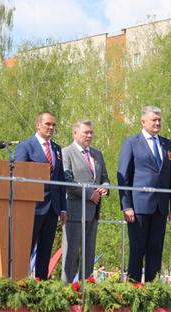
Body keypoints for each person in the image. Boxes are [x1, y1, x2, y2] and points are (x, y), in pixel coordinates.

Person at [117, 106, 171, 283]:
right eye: (154, 120)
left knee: (155, 249)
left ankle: (153, 290)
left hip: (161, 206)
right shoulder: (131, 143)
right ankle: (133, 290)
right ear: (143, 121)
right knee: (137, 249)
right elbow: (124, 175)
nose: (158, 122)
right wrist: (126, 205)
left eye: (159, 119)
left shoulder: (167, 144)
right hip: (138, 207)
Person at [15, 112, 67, 280]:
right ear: (38, 125)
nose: (51, 128)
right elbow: (19, 175)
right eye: (47, 124)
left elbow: (60, 180)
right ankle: (20, 284)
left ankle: (41, 287)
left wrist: (63, 209)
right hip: (33, 207)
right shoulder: (26, 146)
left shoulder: (57, 149)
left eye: (53, 125)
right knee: (26, 250)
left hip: (52, 208)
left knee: (45, 251)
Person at [61, 119, 110, 283]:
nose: (89, 135)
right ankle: (66, 293)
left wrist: (105, 187)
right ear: (75, 133)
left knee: (89, 255)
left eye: (91, 132)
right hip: (74, 211)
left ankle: (85, 292)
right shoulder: (66, 153)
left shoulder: (97, 154)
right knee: (71, 255)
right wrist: (89, 194)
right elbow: (66, 179)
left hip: (93, 212)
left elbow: (104, 178)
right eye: (85, 132)